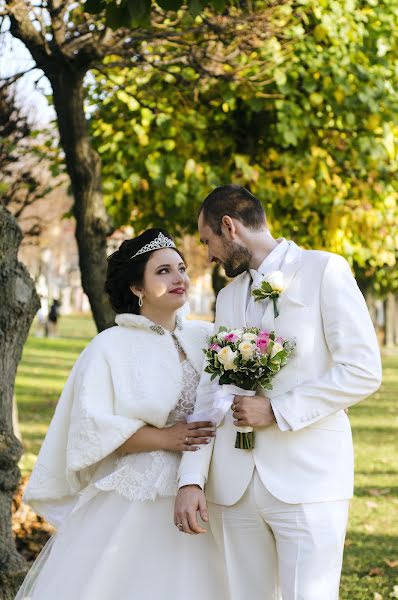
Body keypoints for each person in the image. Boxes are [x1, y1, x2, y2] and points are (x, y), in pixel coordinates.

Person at [175, 185, 382, 600]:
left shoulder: (325, 270)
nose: (209, 254)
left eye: (207, 241)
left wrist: (278, 410)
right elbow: (212, 390)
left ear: (229, 227)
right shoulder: (228, 296)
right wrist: (191, 479)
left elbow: (362, 370)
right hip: (233, 488)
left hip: (308, 480)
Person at [16, 228, 227, 600]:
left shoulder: (209, 338)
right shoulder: (109, 347)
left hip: (211, 488)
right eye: (163, 271)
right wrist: (164, 437)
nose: (179, 278)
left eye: (180, 268)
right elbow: (91, 428)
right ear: (137, 287)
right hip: (140, 498)